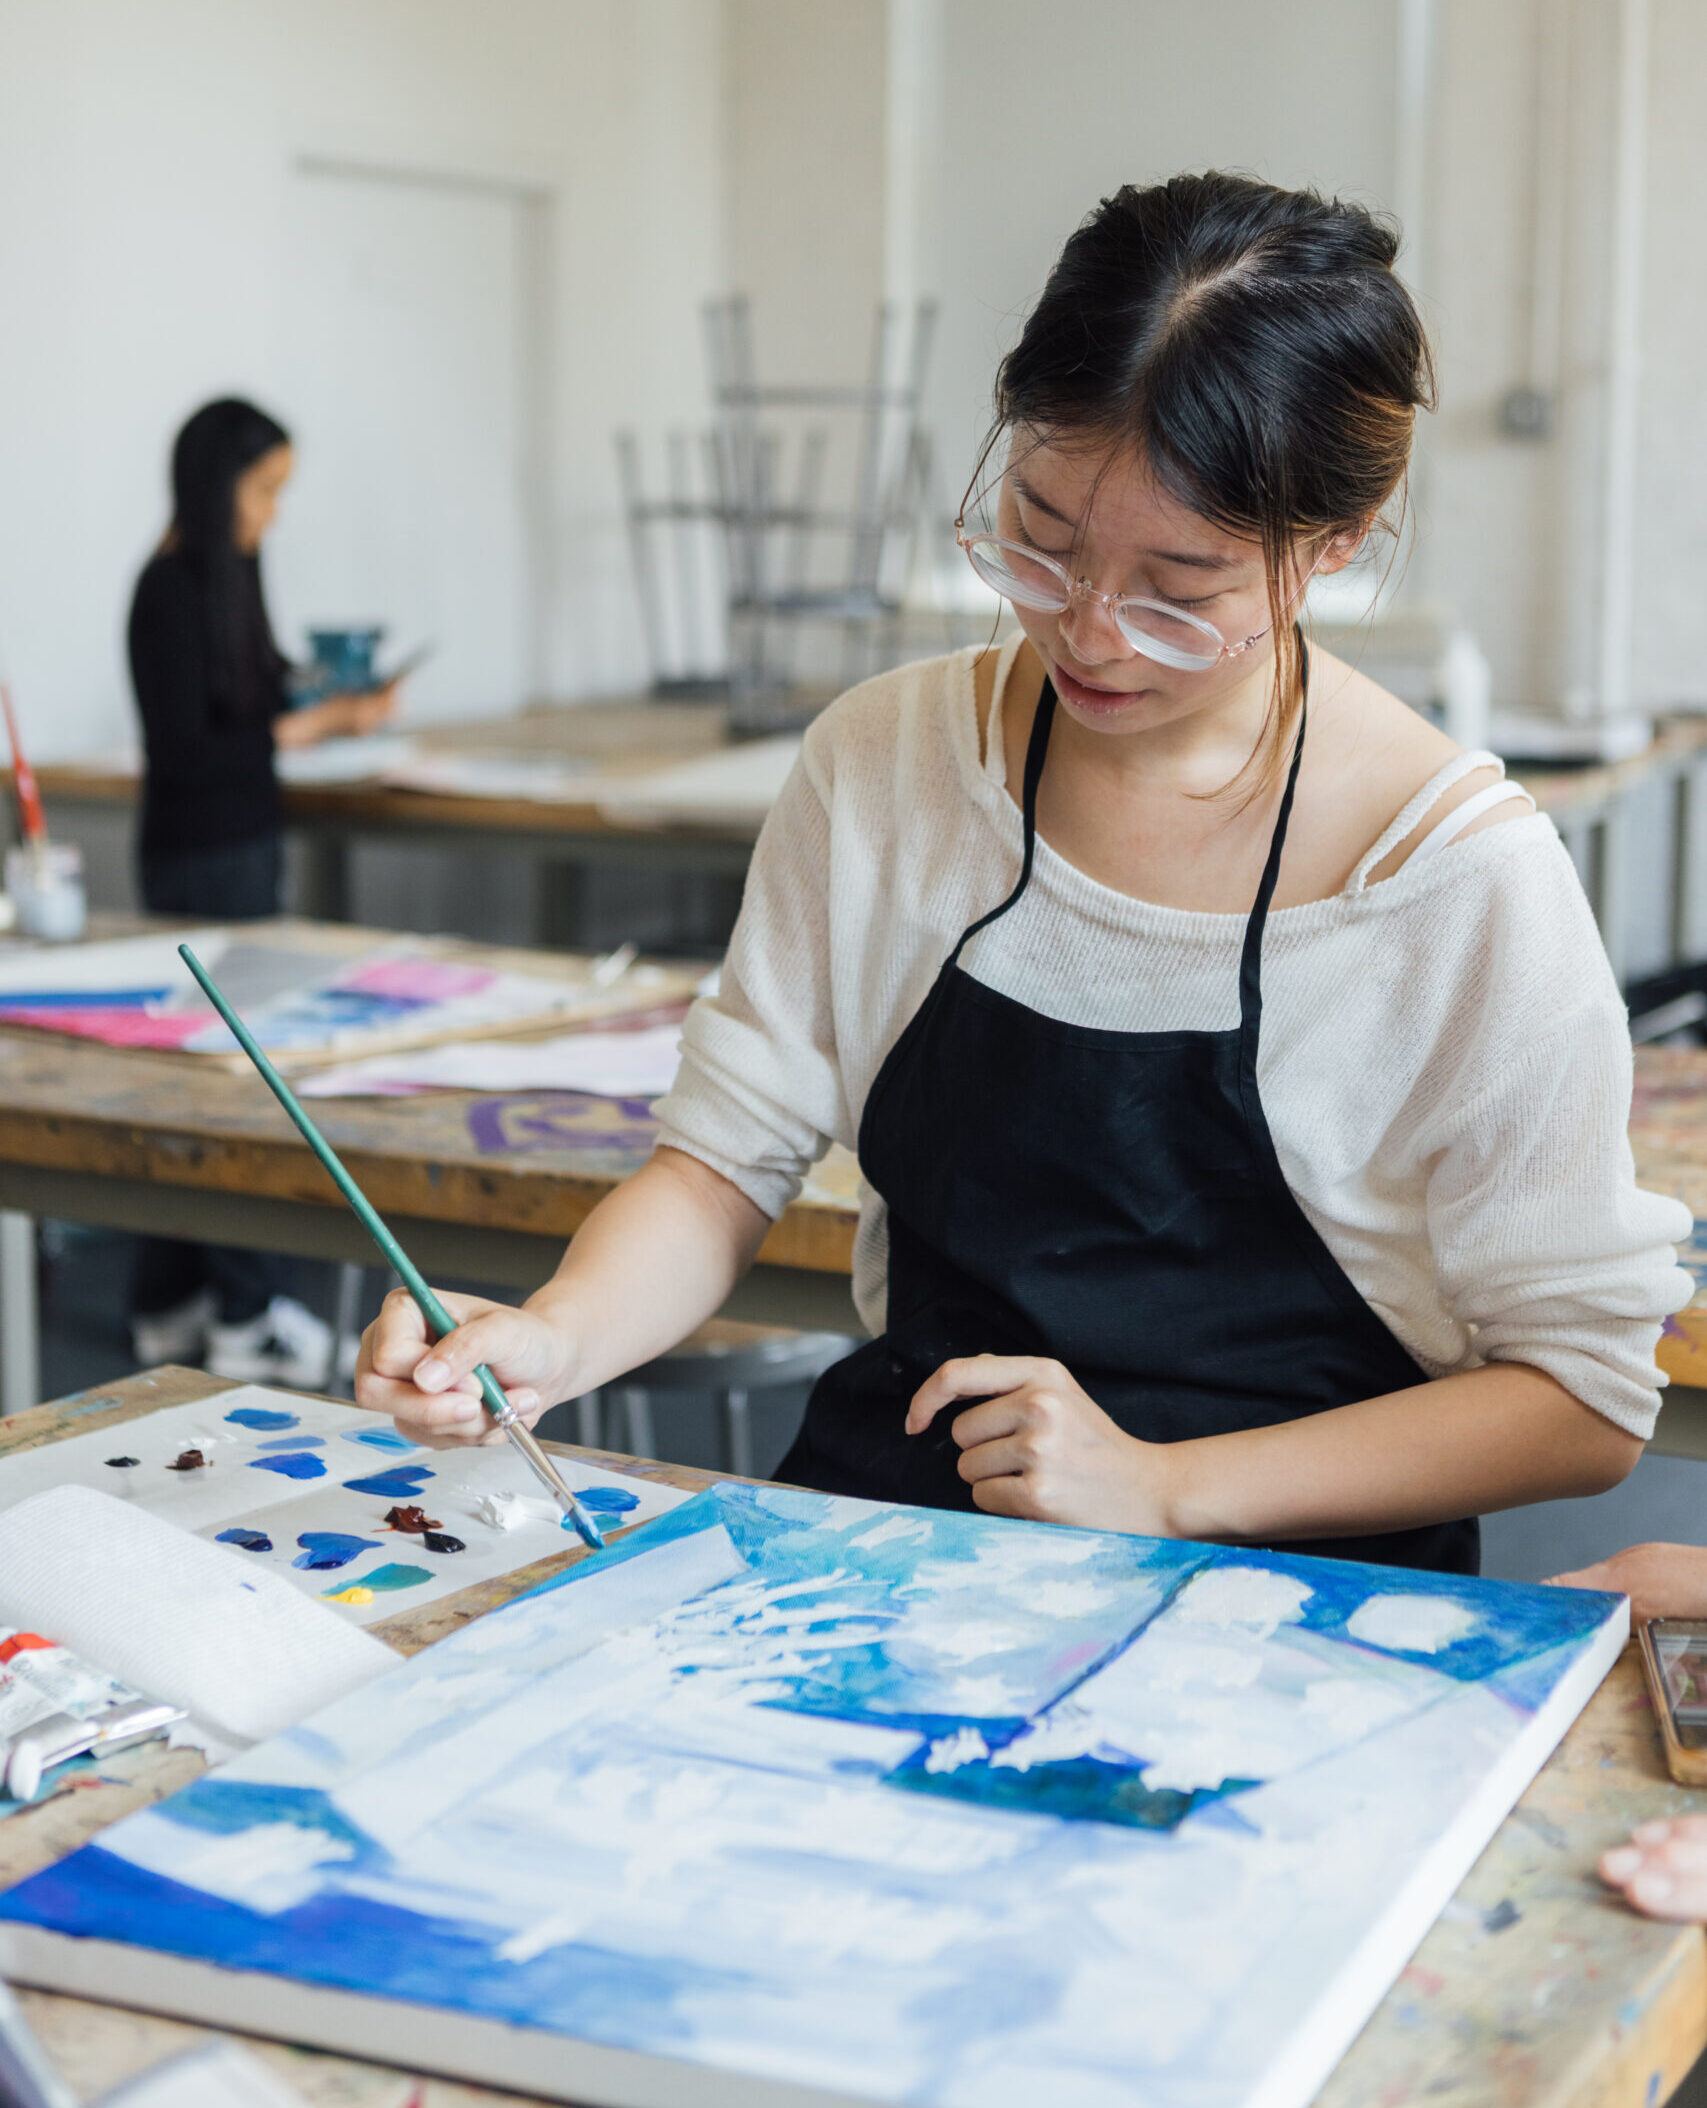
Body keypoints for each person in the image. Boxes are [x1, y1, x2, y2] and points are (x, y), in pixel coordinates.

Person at [357, 172, 1689, 1571]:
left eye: (1178, 593)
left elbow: (1579, 1400)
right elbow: (715, 1171)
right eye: (1040, 546)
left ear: (1332, 547)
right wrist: (551, 1336)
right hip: (892, 1547)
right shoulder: (887, 763)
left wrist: (1161, 1488)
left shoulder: (1447, 878)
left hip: (1287, 1603)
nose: (1093, 636)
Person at [128, 396, 401, 1382]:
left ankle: (181, 1301)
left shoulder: (230, 580)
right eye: (265, 490)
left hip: (243, 850)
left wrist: (335, 699)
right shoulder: (166, 591)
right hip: (197, 860)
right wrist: (311, 730)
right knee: (225, 1086)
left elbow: (255, 693)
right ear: (219, 486)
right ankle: (238, 1314)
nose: (273, 513)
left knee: (224, 1077)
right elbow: (189, 752)